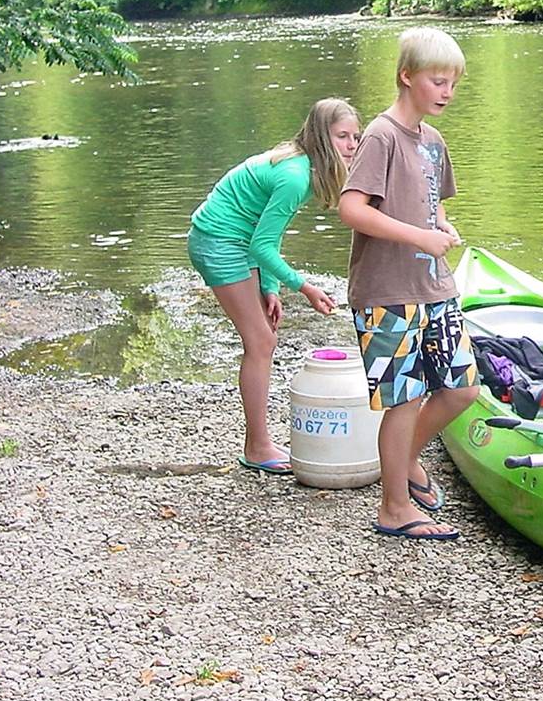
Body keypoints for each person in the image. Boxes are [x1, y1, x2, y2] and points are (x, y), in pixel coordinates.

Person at [338, 27, 479, 541]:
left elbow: (433, 201)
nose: (446, 92)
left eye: (453, 84)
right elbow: (352, 208)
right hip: (386, 293)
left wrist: (441, 225)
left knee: (462, 390)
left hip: (435, 288)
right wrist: (419, 232)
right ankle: (394, 506)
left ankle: (406, 460)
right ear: (406, 76)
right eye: (437, 81)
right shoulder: (380, 136)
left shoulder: (433, 142)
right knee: (403, 399)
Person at [187, 98, 361, 473]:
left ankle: (259, 441)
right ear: (320, 137)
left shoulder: (304, 167)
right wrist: (304, 287)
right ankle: (257, 446)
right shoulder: (295, 176)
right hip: (218, 240)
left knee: (264, 335)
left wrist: (270, 287)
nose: (351, 145)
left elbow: (268, 234)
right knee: (261, 341)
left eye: (355, 137)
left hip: (238, 238)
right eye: (342, 136)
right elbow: (260, 244)